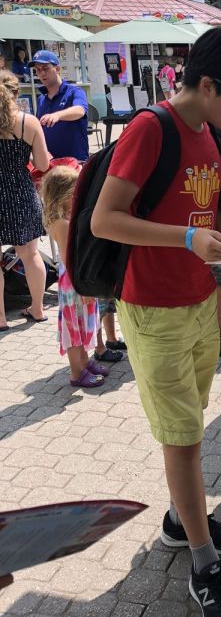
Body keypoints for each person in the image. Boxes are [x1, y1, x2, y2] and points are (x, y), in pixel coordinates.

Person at [91, 25, 221, 617]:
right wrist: (189, 239)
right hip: (154, 309)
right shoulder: (151, 128)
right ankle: (203, 565)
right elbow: (106, 219)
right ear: (210, 84)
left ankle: (179, 519)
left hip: (198, 302)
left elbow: (204, 218)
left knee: (187, 424)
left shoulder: (210, 136)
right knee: (185, 441)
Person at [41, 166, 110, 388]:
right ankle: (76, 372)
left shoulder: (67, 217)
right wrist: (83, 287)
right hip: (73, 280)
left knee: (83, 323)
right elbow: (68, 258)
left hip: (78, 276)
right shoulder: (61, 224)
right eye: (75, 192)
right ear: (62, 195)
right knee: (73, 327)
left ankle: (85, 362)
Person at [0, 69, 51, 331]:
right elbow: (42, 164)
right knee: (30, 255)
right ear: (16, 93)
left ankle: (0, 318)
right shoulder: (28, 122)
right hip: (21, 193)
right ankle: (38, 309)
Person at [30, 50, 89, 162]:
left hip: (74, 162)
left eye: (45, 68)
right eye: (37, 70)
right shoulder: (41, 98)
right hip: (50, 163)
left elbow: (80, 111)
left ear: (57, 69)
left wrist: (57, 115)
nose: (41, 73)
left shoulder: (74, 91)